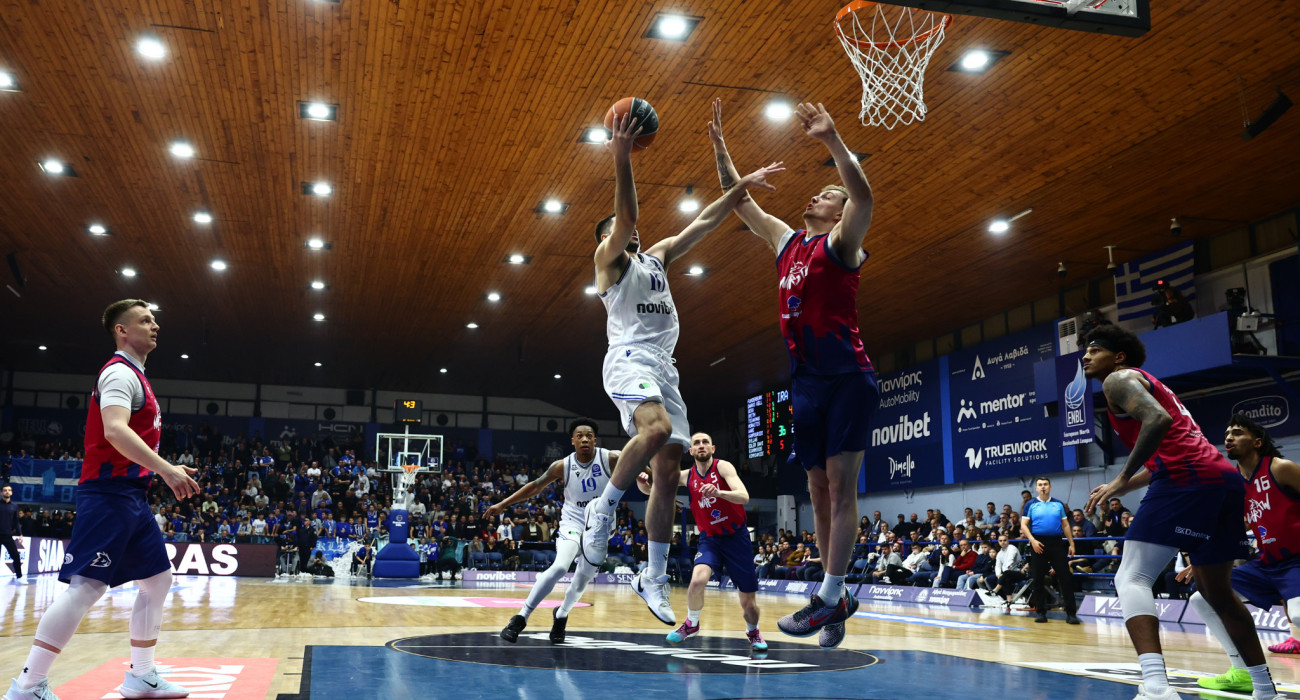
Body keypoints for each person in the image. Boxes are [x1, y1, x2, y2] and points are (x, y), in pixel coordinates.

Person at [583, 108, 784, 627]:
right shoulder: (610, 264)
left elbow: (707, 220)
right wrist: (622, 156)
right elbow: (624, 216)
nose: (630, 235)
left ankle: (651, 576)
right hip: (628, 359)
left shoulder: (657, 257)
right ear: (606, 240)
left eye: (631, 234)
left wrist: (742, 183)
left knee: (670, 479)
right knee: (660, 429)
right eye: (619, 233)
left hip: (665, 370)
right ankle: (603, 509)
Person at [709, 98, 877, 649]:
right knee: (816, 489)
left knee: (839, 483)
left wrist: (831, 140)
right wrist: (720, 149)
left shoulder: (842, 244)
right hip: (803, 381)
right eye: (821, 192)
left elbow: (864, 194)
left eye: (827, 194)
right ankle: (837, 597)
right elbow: (742, 204)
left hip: (846, 376)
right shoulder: (787, 243)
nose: (817, 195)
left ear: (838, 212)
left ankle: (828, 597)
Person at [6, 299, 199, 700]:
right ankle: (27, 684)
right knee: (87, 587)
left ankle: (141, 676)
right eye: (145, 320)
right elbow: (114, 430)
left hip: (131, 496)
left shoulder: (138, 377)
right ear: (121, 331)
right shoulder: (118, 373)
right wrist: (166, 468)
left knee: (158, 581)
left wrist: (157, 471)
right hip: (108, 495)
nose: (155, 325)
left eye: (154, 319)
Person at [1083, 325, 1277, 700]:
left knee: (1132, 577)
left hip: (1187, 479)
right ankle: (1264, 689)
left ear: (1119, 357)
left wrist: (1121, 474)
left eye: (1095, 349)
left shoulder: (1118, 380)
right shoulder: (1151, 382)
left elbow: (1159, 421)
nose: (1086, 356)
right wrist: (1126, 484)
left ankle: (1156, 688)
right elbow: (1169, 449)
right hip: (1221, 477)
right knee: (1216, 594)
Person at [1189, 414, 1300, 696]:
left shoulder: (1281, 468)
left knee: (1298, 615)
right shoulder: (1235, 484)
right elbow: (1242, 523)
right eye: (1227, 433)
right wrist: (1204, 562)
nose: (1229, 437)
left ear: (1257, 442)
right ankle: (1241, 670)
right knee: (1202, 597)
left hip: (1296, 560)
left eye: (1237, 432)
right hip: (1266, 564)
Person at [637, 432, 767, 651]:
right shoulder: (686, 475)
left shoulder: (723, 467)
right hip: (710, 540)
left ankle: (753, 631)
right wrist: (643, 485)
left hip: (737, 539)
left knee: (749, 605)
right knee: (697, 581)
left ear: (712, 448)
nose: (701, 445)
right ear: (691, 451)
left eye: (705, 442)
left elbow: (743, 496)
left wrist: (719, 492)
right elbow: (655, 491)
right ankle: (691, 624)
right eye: (696, 443)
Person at [492, 419, 618, 644]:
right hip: (573, 522)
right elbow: (535, 486)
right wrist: (503, 504)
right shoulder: (562, 465)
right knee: (560, 566)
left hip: (600, 526)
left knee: (582, 578)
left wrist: (659, 491)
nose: (585, 439)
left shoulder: (611, 459)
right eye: (579, 436)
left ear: (595, 440)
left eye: (589, 435)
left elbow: (645, 473)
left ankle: (561, 615)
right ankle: (521, 617)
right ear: (572, 441)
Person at [1023, 477, 1079, 624]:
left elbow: (1065, 525)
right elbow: (1023, 525)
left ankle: (1071, 614)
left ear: (1050, 487)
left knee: (1065, 578)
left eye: (1045, 484)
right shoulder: (1031, 504)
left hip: (1056, 543)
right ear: (1036, 488)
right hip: (1038, 543)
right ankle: (1041, 612)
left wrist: (1071, 543)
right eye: (1040, 485)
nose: (1043, 487)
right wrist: (1033, 540)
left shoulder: (1058, 504)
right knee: (1038, 579)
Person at [1, 485, 23, 583]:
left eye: (9, 490)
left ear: (12, 493)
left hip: (8, 536)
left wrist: (20, 534)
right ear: (1, 492)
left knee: (16, 556)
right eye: (5, 490)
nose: (7, 492)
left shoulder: (14, 506)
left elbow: (16, 521)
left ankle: (19, 577)